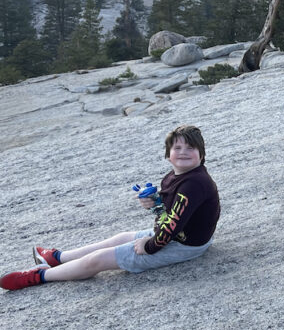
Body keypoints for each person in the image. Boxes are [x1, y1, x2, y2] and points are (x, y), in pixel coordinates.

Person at [1, 124, 221, 291]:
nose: (183, 152)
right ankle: (58, 258)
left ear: (201, 154)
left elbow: (172, 224)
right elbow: (171, 213)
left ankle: (40, 276)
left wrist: (151, 245)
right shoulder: (174, 177)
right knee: (119, 238)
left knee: (98, 260)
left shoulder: (194, 184)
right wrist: (155, 205)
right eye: (177, 147)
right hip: (180, 235)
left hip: (184, 244)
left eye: (190, 148)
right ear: (168, 154)